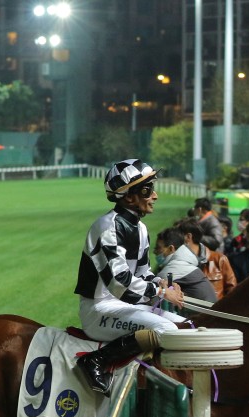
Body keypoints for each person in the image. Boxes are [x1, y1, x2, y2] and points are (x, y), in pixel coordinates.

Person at [73, 158, 187, 394]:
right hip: (99, 310)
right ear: (128, 196)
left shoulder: (141, 229)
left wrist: (159, 283)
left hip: (118, 306)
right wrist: (162, 292)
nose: (154, 196)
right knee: (167, 331)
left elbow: (143, 272)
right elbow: (120, 283)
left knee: (182, 325)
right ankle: (96, 360)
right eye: (148, 190)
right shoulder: (106, 227)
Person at [174, 218, 238, 300]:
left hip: (215, 311)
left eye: (177, 237)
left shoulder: (219, 259)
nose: (174, 240)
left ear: (188, 237)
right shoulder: (177, 262)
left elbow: (232, 290)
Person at [153, 223, 217, 303]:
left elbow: (155, 294)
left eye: (158, 248)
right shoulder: (186, 262)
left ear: (171, 249)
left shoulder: (172, 270)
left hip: (203, 314)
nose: (154, 252)